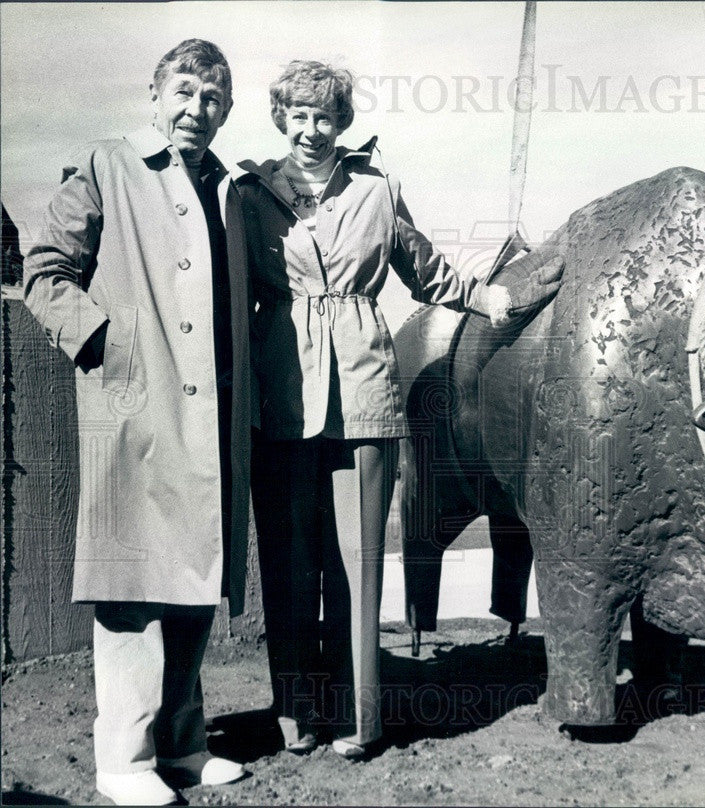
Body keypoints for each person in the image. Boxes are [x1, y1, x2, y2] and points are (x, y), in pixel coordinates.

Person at [236, 60, 562, 757]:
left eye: (325, 117)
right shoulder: (248, 195)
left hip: (362, 392)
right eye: (298, 116)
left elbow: (426, 271)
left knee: (357, 563)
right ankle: (299, 716)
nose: (311, 130)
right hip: (280, 395)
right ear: (281, 119)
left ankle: (358, 719)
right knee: (291, 564)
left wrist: (493, 297)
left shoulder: (378, 191)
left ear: (341, 122)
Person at [22, 39, 252, 806]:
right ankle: (123, 758)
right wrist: (108, 348)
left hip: (207, 409)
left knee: (193, 576)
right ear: (155, 95)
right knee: (131, 583)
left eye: (213, 98)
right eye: (184, 92)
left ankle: (183, 747)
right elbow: (43, 272)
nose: (197, 109)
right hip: (134, 400)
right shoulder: (107, 164)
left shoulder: (227, 187)